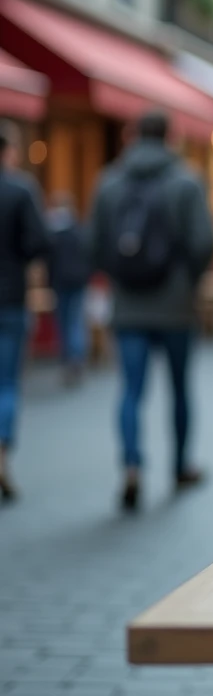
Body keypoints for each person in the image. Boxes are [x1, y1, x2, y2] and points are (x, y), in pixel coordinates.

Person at [89, 110, 213, 512]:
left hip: (128, 305)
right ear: (170, 137)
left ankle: (131, 467)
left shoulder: (108, 182)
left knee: (130, 390)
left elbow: (93, 246)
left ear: (132, 134)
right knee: (179, 389)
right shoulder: (186, 181)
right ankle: (179, 467)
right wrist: (187, 282)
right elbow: (203, 242)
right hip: (175, 303)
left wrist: (121, 275)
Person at [0, 121, 48, 502]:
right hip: (11, 297)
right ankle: (1, 456)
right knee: (7, 383)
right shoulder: (20, 190)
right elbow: (37, 242)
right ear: (10, 152)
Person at [46, 191, 92, 384]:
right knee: (76, 320)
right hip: (78, 281)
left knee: (64, 321)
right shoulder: (78, 229)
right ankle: (77, 357)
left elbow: (48, 259)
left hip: (60, 281)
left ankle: (68, 359)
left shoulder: (52, 232)